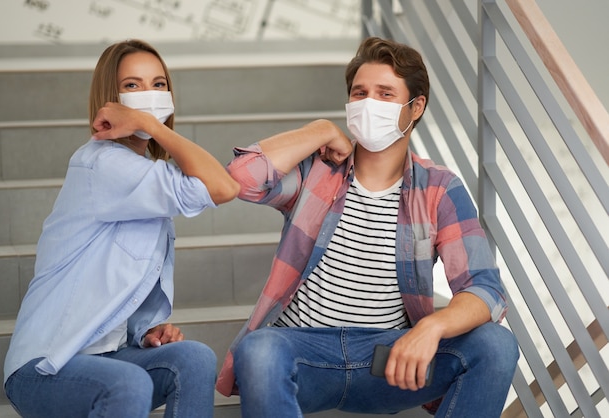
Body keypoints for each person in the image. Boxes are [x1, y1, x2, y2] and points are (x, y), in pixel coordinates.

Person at [216, 37, 519, 417]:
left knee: (496, 344)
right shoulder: (316, 172)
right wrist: (322, 129)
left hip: (384, 361)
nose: (368, 104)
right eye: (360, 94)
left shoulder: (439, 189)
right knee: (258, 349)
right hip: (303, 354)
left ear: (416, 107)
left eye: (385, 93)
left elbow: (486, 290)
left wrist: (431, 328)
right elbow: (242, 179)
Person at [3, 39, 240, 418]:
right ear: (109, 98)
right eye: (132, 85)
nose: (149, 94)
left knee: (193, 358)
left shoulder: (142, 173)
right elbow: (223, 187)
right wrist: (149, 123)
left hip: (110, 356)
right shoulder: (103, 165)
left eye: (159, 84)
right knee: (129, 383)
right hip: (45, 366)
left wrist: (144, 332)